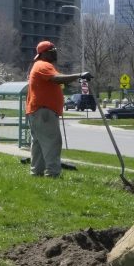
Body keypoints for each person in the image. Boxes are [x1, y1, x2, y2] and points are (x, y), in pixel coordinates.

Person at [25, 41, 90, 178]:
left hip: (37, 111)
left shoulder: (40, 65)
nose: (55, 52)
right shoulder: (43, 65)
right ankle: (52, 173)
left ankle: (36, 172)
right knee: (52, 142)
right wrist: (79, 75)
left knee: (38, 143)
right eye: (52, 50)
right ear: (43, 53)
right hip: (44, 111)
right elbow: (57, 79)